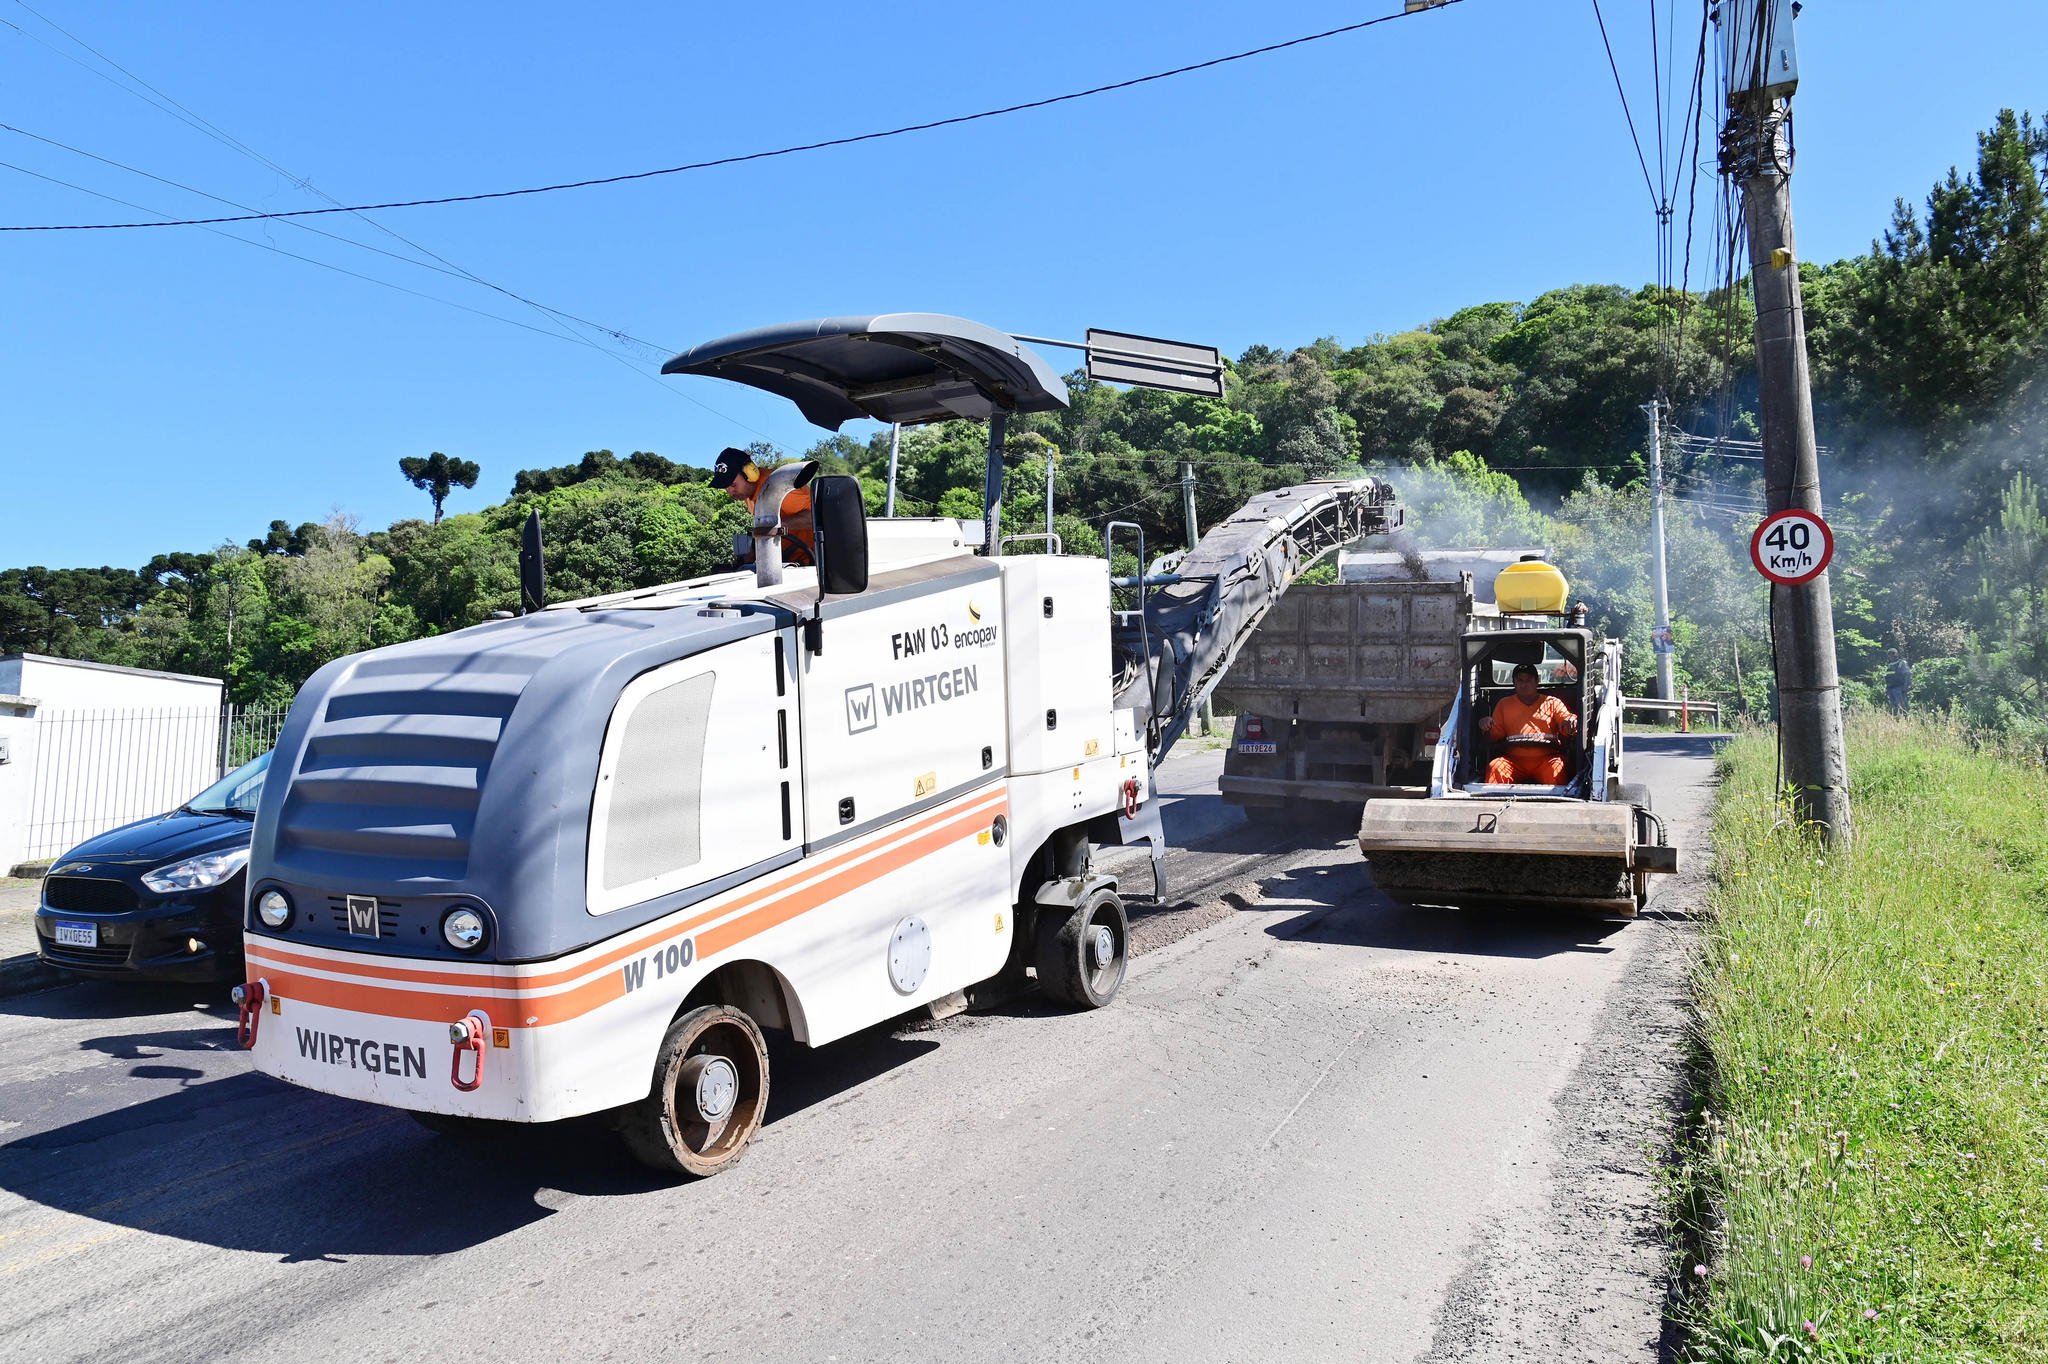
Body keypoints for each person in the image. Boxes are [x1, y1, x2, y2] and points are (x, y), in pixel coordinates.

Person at [710, 447, 816, 566]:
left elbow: (816, 518)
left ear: (749, 473)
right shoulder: (749, 495)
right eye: (726, 487)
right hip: (788, 560)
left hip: (813, 560)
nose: (730, 492)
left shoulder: (776, 486)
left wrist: (775, 526)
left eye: (733, 485)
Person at [1483, 662, 1579, 785]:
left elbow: (1566, 720)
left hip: (1547, 759)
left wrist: (1570, 721)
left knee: (1556, 768)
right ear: (1514, 682)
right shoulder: (1504, 704)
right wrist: (1485, 724)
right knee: (1495, 767)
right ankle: (1492, 803)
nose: (1524, 684)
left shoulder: (1552, 702)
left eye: (1528, 680)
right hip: (1513, 760)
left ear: (1536, 681)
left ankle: (1557, 804)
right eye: (1520, 680)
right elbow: (1495, 734)